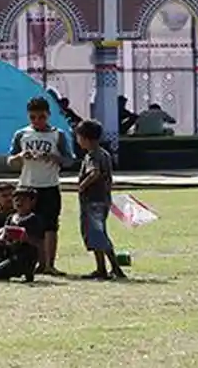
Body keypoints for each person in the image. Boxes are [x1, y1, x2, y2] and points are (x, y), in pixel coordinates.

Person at [7, 96, 70, 276]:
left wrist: (53, 157)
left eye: (41, 117)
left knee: (50, 226)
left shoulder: (58, 135)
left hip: (49, 185)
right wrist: (21, 156)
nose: (37, 121)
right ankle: (27, 262)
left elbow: (69, 160)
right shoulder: (22, 134)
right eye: (33, 117)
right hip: (26, 185)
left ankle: (49, 264)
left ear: (49, 115)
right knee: (26, 226)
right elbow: (10, 161)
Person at [75, 119, 126, 280]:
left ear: (85, 138)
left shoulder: (92, 155)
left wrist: (82, 185)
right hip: (103, 199)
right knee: (100, 234)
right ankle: (109, 267)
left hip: (92, 200)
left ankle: (104, 268)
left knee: (96, 235)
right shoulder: (104, 153)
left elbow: (94, 172)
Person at [0, 187, 44, 282]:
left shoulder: (34, 219)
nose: (19, 202)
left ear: (32, 202)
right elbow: (5, 232)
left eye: (23, 200)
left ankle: (26, 271)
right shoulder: (11, 217)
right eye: (16, 200)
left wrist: (26, 238)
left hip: (25, 256)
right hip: (10, 252)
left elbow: (39, 242)